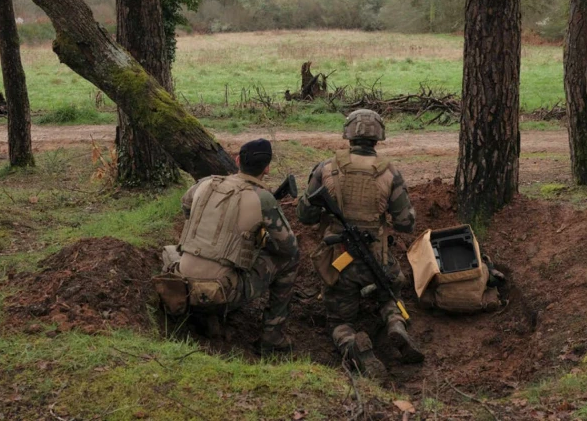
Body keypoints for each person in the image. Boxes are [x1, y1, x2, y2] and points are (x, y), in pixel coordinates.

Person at [297, 109, 423, 376]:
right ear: (379, 136)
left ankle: (354, 345)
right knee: (389, 294)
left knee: (339, 320)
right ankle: (395, 324)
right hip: (378, 259)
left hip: (339, 262)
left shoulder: (325, 168)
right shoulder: (390, 172)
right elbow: (405, 223)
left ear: (348, 134)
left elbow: (305, 216)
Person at [178, 139, 299, 353]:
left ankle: (203, 316)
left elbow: (186, 207)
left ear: (237, 161)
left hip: (182, 284)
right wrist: (255, 242)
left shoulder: (205, 183)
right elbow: (289, 248)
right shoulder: (263, 198)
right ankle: (272, 335)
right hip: (225, 291)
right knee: (289, 262)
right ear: (267, 168)